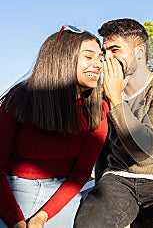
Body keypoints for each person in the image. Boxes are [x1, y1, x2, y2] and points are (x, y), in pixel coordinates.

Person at [74, 18, 153, 228]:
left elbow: (144, 148)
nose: (107, 59)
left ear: (139, 51)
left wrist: (115, 99)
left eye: (115, 50)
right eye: (106, 52)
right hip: (119, 178)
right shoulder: (104, 93)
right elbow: (103, 147)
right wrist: (99, 187)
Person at [0, 25, 109, 228]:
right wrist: (15, 221)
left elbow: (81, 173)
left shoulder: (98, 110)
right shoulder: (20, 98)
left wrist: (42, 217)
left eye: (100, 59)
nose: (98, 64)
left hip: (63, 196)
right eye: (89, 57)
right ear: (62, 58)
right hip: (10, 192)